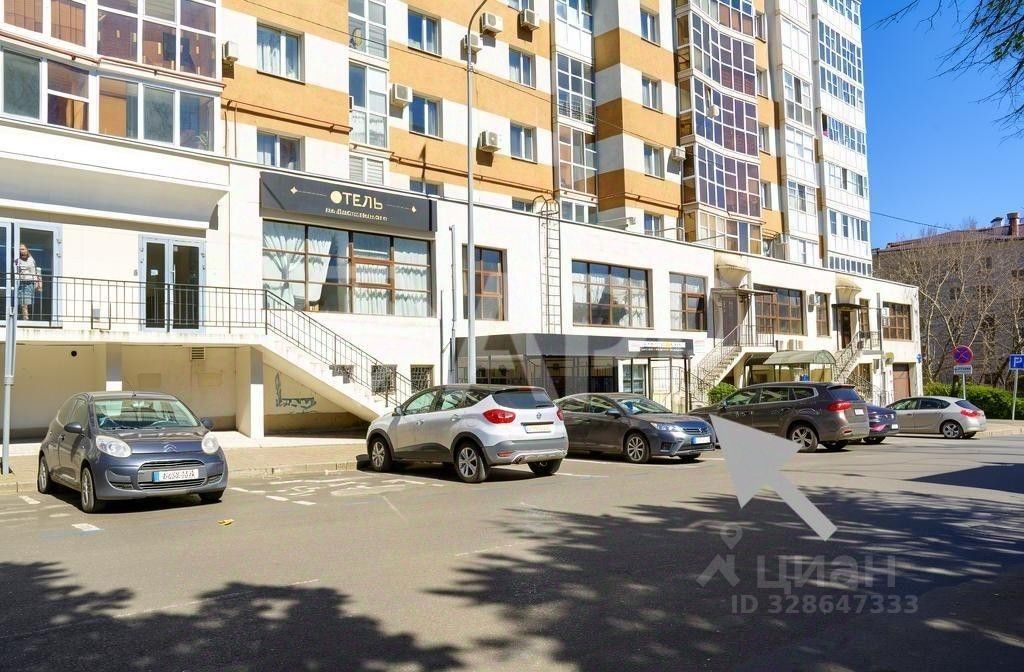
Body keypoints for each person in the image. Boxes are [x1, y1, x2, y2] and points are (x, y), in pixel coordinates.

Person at [13, 244, 41, 320]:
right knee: (23, 302)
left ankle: (27, 317)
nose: (21, 251)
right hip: (23, 282)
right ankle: (25, 317)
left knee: (27, 302)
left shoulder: (31, 260)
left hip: (31, 282)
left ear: (27, 250)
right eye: (20, 249)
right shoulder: (17, 261)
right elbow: (16, 272)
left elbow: (36, 272)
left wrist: (39, 284)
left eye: (23, 249)